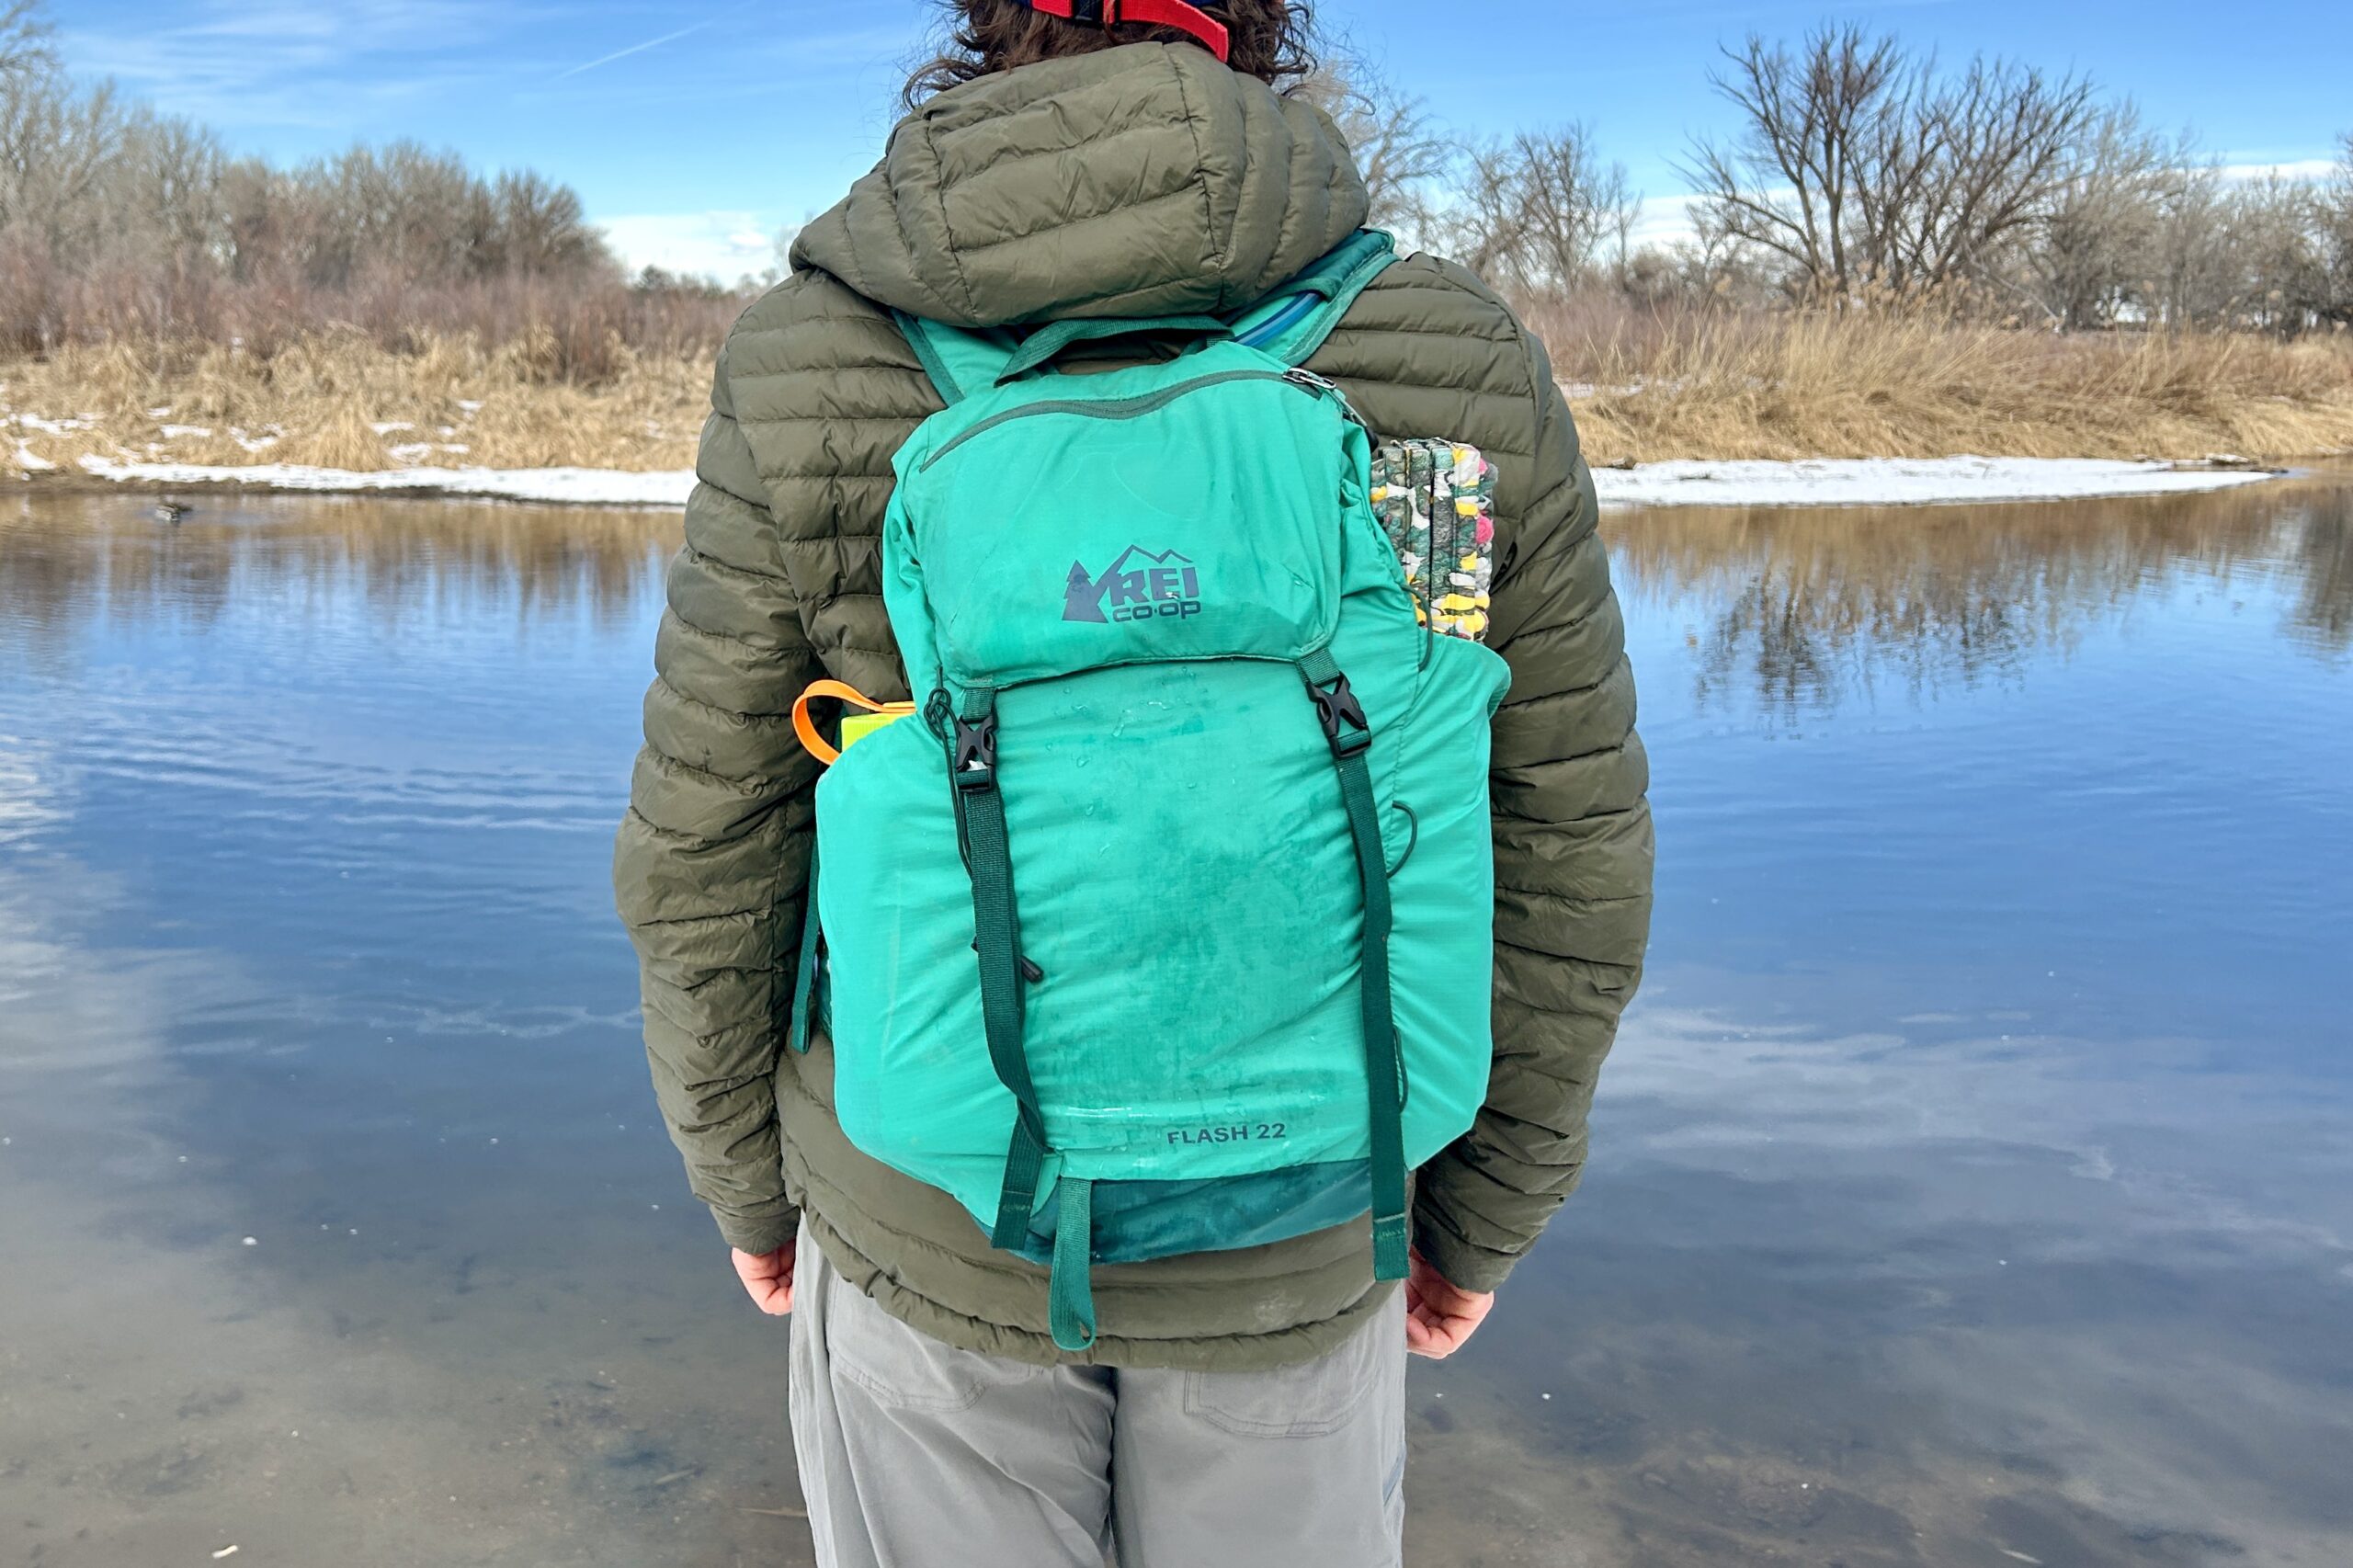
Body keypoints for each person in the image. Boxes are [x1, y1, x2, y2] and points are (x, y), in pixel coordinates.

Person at [613, 3, 1654, 1562]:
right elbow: (1569, 843)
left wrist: (747, 1185)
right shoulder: (1448, 352)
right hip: (1307, 1220)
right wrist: (1483, 1207)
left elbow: (708, 842)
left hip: (929, 1217)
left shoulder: (814, 356)